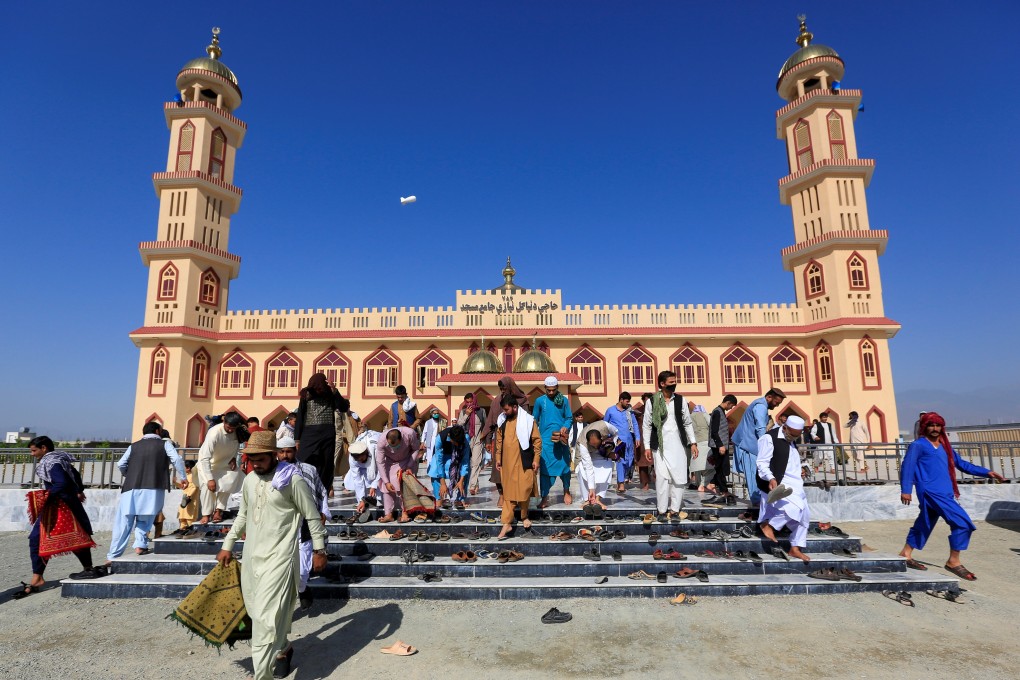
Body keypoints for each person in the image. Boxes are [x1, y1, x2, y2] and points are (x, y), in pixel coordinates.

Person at [217, 431, 328, 680]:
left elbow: (312, 515)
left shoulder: (292, 480)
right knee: (259, 614)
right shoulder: (249, 481)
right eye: (251, 458)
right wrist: (228, 544)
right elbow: (243, 516)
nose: (255, 463)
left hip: (282, 557)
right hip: (252, 557)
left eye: (260, 458)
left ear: (274, 455)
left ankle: (262, 676)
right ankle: (282, 648)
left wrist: (320, 550)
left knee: (266, 619)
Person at [898, 412, 1004, 580]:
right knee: (963, 523)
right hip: (931, 492)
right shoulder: (919, 445)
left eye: (938, 425)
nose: (935, 428)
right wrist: (906, 490)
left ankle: (906, 553)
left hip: (944, 492)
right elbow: (907, 467)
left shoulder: (945, 446)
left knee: (924, 523)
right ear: (924, 427)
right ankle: (953, 561)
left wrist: (987, 472)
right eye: (931, 425)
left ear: (942, 427)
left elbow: (961, 464)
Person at [18, 436, 102, 598]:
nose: (32, 454)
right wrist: (78, 491)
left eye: (34, 450)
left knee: (38, 538)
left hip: (59, 506)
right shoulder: (59, 459)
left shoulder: (50, 462)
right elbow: (75, 476)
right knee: (78, 537)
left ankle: (38, 577)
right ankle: (87, 568)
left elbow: (61, 482)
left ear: (44, 448)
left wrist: (46, 497)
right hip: (69, 503)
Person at [106, 421, 187, 565]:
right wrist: (183, 477)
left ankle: (113, 555)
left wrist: (128, 474)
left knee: (124, 522)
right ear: (157, 431)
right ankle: (140, 545)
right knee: (145, 519)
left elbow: (120, 464)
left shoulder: (134, 446)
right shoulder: (164, 444)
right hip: (153, 488)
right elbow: (176, 459)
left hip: (130, 488)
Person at [276, 435, 330, 609]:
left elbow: (321, 491)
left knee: (301, 571)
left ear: (295, 451)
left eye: (289, 451)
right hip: (280, 526)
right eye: (282, 451)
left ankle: (302, 588)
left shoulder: (308, 469)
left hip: (304, 525)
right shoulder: (272, 471)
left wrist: (323, 511)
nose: (285, 455)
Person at [641, 371, 698, 519]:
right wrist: (647, 446)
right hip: (659, 446)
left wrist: (693, 442)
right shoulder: (652, 401)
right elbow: (647, 425)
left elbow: (687, 422)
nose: (674, 384)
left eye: (675, 382)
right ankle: (661, 510)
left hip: (678, 445)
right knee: (661, 478)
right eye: (671, 382)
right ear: (662, 384)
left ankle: (675, 509)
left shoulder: (680, 400)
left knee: (679, 478)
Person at [754, 415, 811, 562]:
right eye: (792, 434)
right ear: (784, 427)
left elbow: (790, 461)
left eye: (797, 436)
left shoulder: (791, 440)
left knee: (804, 515)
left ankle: (795, 548)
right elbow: (762, 463)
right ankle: (768, 525)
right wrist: (771, 478)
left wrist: (801, 470)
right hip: (779, 481)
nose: (793, 438)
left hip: (795, 483)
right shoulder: (769, 438)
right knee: (794, 508)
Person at [494, 394, 542, 539]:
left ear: (515, 407)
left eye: (507, 409)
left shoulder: (528, 421)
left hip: (524, 460)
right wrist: (497, 458)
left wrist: (536, 459)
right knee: (509, 493)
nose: (505, 412)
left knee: (524, 489)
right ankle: (507, 523)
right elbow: (499, 441)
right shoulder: (502, 421)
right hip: (508, 463)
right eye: (503, 410)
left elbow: (537, 441)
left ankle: (524, 516)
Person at [731, 388, 786, 512]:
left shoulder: (761, 406)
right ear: (769, 397)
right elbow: (760, 428)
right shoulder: (760, 406)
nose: (777, 405)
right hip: (748, 445)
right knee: (752, 474)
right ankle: (756, 501)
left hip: (751, 444)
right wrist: (765, 446)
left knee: (757, 473)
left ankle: (759, 499)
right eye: (776, 402)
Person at [480, 377, 531, 506]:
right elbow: (491, 421)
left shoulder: (522, 401)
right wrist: (487, 439)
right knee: (498, 467)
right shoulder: (497, 401)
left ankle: (517, 495)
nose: (503, 391)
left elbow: (526, 421)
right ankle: (502, 494)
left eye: (505, 388)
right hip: (500, 438)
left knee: (516, 467)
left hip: (517, 438)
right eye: (501, 388)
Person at [295, 373, 351, 490]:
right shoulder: (306, 395)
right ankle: (303, 488)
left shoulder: (330, 394)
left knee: (325, 465)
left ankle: (323, 490)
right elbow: (300, 416)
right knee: (303, 462)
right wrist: (297, 438)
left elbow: (343, 407)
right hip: (309, 435)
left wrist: (335, 390)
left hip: (326, 434)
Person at [197, 411, 244, 524]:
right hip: (208, 464)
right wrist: (210, 478)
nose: (230, 430)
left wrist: (233, 458)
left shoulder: (238, 432)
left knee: (228, 482)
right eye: (228, 427)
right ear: (224, 422)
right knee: (207, 488)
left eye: (233, 428)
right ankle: (206, 514)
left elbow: (235, 445)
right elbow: (205, 458)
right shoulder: (214, 433)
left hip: (225, 463)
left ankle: (219, 511)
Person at [534, 376, 574, 508]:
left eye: (553, 390)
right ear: (544, 388)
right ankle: (544, 497)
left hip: (561, 440)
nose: (551, 393)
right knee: (545, 470)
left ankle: (566, 491)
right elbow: (534, 420)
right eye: (549, 390)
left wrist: (565, 426)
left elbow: (569, 418)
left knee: (565, 468)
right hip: (545, 441)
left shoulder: (563, 400)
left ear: (557, 388)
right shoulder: (540, 401)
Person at [375, 426, 421, 523]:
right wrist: (386, 481)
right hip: (390, 462)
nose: (393, 448)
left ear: (401, 439)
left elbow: (416, 449)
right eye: (390, 445)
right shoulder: (381, 441)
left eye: (395, 445)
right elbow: (380, 462)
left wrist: (409, 466)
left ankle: (405, 512)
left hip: (407, 460)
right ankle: (388, 514)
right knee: (386, 486)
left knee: (402, 484)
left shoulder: (409, 433)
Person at [576, 421, 620, 509]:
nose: (595, 446)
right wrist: (591, 489)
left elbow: (616, 432)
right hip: (588, 453)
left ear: (601, 438)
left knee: (606, 469)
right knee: (582, 471)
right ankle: (587, 500)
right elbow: (588, 467)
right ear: (588, 442)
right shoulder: (583, 444)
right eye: (593, 445)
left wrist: (612, 448)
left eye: (596, 444)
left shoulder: (605, 426)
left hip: (603, 450)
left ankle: (597, 499)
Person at [603, 392, 640, 493]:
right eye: (627, 402)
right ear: (621, 400)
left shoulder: (629, 411)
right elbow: (604, 425)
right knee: (620, 461)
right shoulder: (610, 411)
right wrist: (606, 439)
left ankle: (622, 480)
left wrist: (637, 437)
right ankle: (621, 483)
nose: (628, 404)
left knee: (629, 462)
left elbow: (635, 424)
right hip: (618, 441)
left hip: (629, 440)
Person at [432, 425, 472, 509]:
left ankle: (460, 498)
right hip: (444, 457)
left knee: (465, 472)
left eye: (459, 442)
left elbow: (465, 461)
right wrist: (443, 483)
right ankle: (439, 497)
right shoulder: (440, 438)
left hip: (458, 456)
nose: (457, 444)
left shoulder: (466, 438)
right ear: (450, 437)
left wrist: (461, 480)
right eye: (455, 442)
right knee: (434, 469)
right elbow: (439, 461)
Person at [456, 392, 487, 495]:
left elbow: (485, 426)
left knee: (476, 462)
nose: (469, 404)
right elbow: (459, 424)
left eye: (471, 402)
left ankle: (472, 486)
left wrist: (486, 440)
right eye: (467, 402)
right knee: (468, 464)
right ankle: (476, 483)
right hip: (466, 440)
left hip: (478, 440)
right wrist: (467, 415)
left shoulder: (481, 411)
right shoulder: (464, 411)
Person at [707, 396, 737, 500]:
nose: (731, 408)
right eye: (731, 406)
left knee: (722, 468)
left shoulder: (720, 412)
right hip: (719, 446)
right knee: (720, 469)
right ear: (728, 403)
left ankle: (713, 483)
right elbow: (714, 432)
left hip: (722, 446)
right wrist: (720, 445)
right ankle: (723, 491)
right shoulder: (717, 412)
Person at [343, 439, 380, 513]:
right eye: (358, 460)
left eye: (362, 459)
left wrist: (374, 485)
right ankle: (361, 502)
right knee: (358, 486)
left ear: (366, 453)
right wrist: (361, 500)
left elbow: (381, 470)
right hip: (363, 470)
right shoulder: (352, 459)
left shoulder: (375, 451)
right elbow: (357, 479)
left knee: (380, 498)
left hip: (377, 467)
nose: (361, 461)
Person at [633, 393, 656, 490]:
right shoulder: (638, 411)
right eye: (646, 400)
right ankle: (645, 483)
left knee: (657, 461)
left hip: (655, 438)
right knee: (642, 462)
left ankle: (657, 480)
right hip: (642, 439)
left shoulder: (657, 410)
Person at [688, 403, 713, 492]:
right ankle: (703, 485)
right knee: (711, 467)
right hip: (706, 442)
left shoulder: (689, 417)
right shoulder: (704, 415)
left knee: (697, 467)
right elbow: (712, 425)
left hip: (694, 444)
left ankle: (699, 484)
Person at [176, 459, 200, 532]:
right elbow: (183, 486)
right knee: (182, 516)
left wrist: (189, 496)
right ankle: (182, 529)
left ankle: (191, 530)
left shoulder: (194, 476)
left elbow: (194, 487)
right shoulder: (185, 476)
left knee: (189, 516)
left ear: (188, 468)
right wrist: (175, 483)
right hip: (184, 500)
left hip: (190, 500)